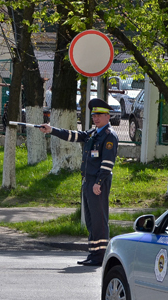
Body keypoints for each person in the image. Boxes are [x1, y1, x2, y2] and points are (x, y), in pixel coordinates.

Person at [39, 98, 118, 266]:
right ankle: (93, 253)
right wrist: (51, 130)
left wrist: (99, 182)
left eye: (100, 115)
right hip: (88, 181)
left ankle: (100, 256)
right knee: (90, 219)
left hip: (98, 183)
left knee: (99, 219)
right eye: (94, 115)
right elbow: (73, 135)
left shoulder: (109, 136)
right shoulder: (93, 133)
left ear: (108, 116)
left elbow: (107, 163)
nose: (96, 118)